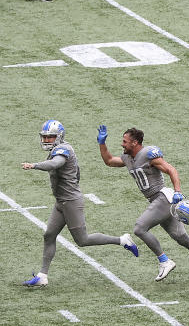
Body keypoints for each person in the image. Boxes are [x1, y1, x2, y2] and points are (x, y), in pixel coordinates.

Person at [20, 120, 139, 288]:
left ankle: (122, 240)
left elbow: (56, 163)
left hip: (70, 202)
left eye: (50, 137)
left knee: (82, 240)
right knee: (49, 235)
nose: (47, 140)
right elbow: (76, 172)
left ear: (59, 137)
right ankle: (42, 276)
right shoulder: (58, 149)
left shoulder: (64, 150)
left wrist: (34, 165)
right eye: (45, 137)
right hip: (62, 201)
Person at [98, 126, 189, 286]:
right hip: (156, 201)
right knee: (182, 239)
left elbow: (171, 169)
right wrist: (102, 143)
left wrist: (178, 190)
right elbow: (109, 161)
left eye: (125, 141)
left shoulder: (148, 154)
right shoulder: (128, 158)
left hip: (163, 198)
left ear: (135, 143)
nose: (122, 144)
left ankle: (164, 261)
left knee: (139, 228)